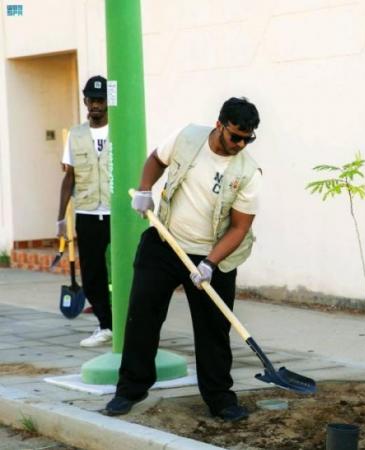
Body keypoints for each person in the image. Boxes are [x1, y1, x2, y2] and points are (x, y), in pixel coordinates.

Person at [104, 97, 262, 422]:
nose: (240, 144)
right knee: (142, 317)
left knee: (214, 330)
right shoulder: (188, 137)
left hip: (212, 255)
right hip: (165, 244)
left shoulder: (248, 171)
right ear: (220, 125)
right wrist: (145, 189)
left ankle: (220, 398)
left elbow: (240, 226)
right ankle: (130, 390)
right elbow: (156, 160)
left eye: (248, 138)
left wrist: (210, 263)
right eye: (236, 136)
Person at [56, 75, 112, 347]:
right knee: (91, 274)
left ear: (108, 102)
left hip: (117, 213)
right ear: (85, 101)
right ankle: (106, 325)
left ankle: (128, 322)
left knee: (127, 269)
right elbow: (69, 178)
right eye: (92, 100)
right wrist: (59, 217)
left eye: (101, 100)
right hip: (88, 213)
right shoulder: (76, 134)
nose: (96, 105)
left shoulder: (120, 130)